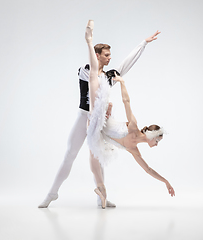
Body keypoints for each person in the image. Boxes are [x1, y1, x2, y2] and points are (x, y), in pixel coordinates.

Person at [38, 23, 161, 208]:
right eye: (106, 55)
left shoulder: (110, 75)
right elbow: (94, 86)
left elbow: (126, 64)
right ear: (97, 56)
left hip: (100, 121)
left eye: (110, 55)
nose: (110, 58)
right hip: (84, 117)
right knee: (70, 154)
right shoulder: (86, 70)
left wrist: (143, 43)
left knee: (99, 155)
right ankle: (52, 193)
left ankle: (101, 197)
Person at [85, 20, 175, 209]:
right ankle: (99, 192)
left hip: (98, 134)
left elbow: (148, 170)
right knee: (91, 147)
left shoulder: (135, 150)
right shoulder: (132, 126)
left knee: (99, 158)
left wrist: (165, 181)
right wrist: (123, 84)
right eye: (157, 141)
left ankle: (100, 194)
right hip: (94, 120)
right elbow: (127, 102)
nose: (157, 145)